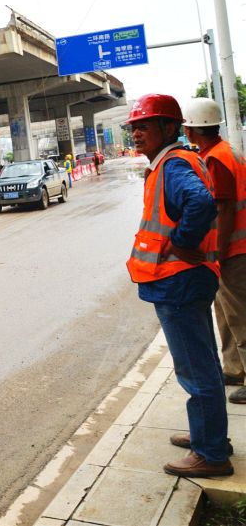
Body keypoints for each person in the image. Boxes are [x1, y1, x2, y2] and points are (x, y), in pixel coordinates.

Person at [125, 93, 231, 478]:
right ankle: (208, 436)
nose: (136, 133)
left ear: (170, 127)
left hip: (179, 282)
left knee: (195, 369)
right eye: (134, 126)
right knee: (203, 363)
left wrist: (183, 243)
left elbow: (201, 204)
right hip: (182, 280)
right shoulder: (172, 162)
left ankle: (211, 453)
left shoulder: (172, 166)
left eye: (145, 125)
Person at [183, 97, 246, 402]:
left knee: (240, 316)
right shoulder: (223, 151)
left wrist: (216, 254)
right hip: (233, 249)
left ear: (193, 129)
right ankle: (233, 369)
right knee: (224, 313)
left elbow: (224, 209)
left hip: (234, 251)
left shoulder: (216, 159)